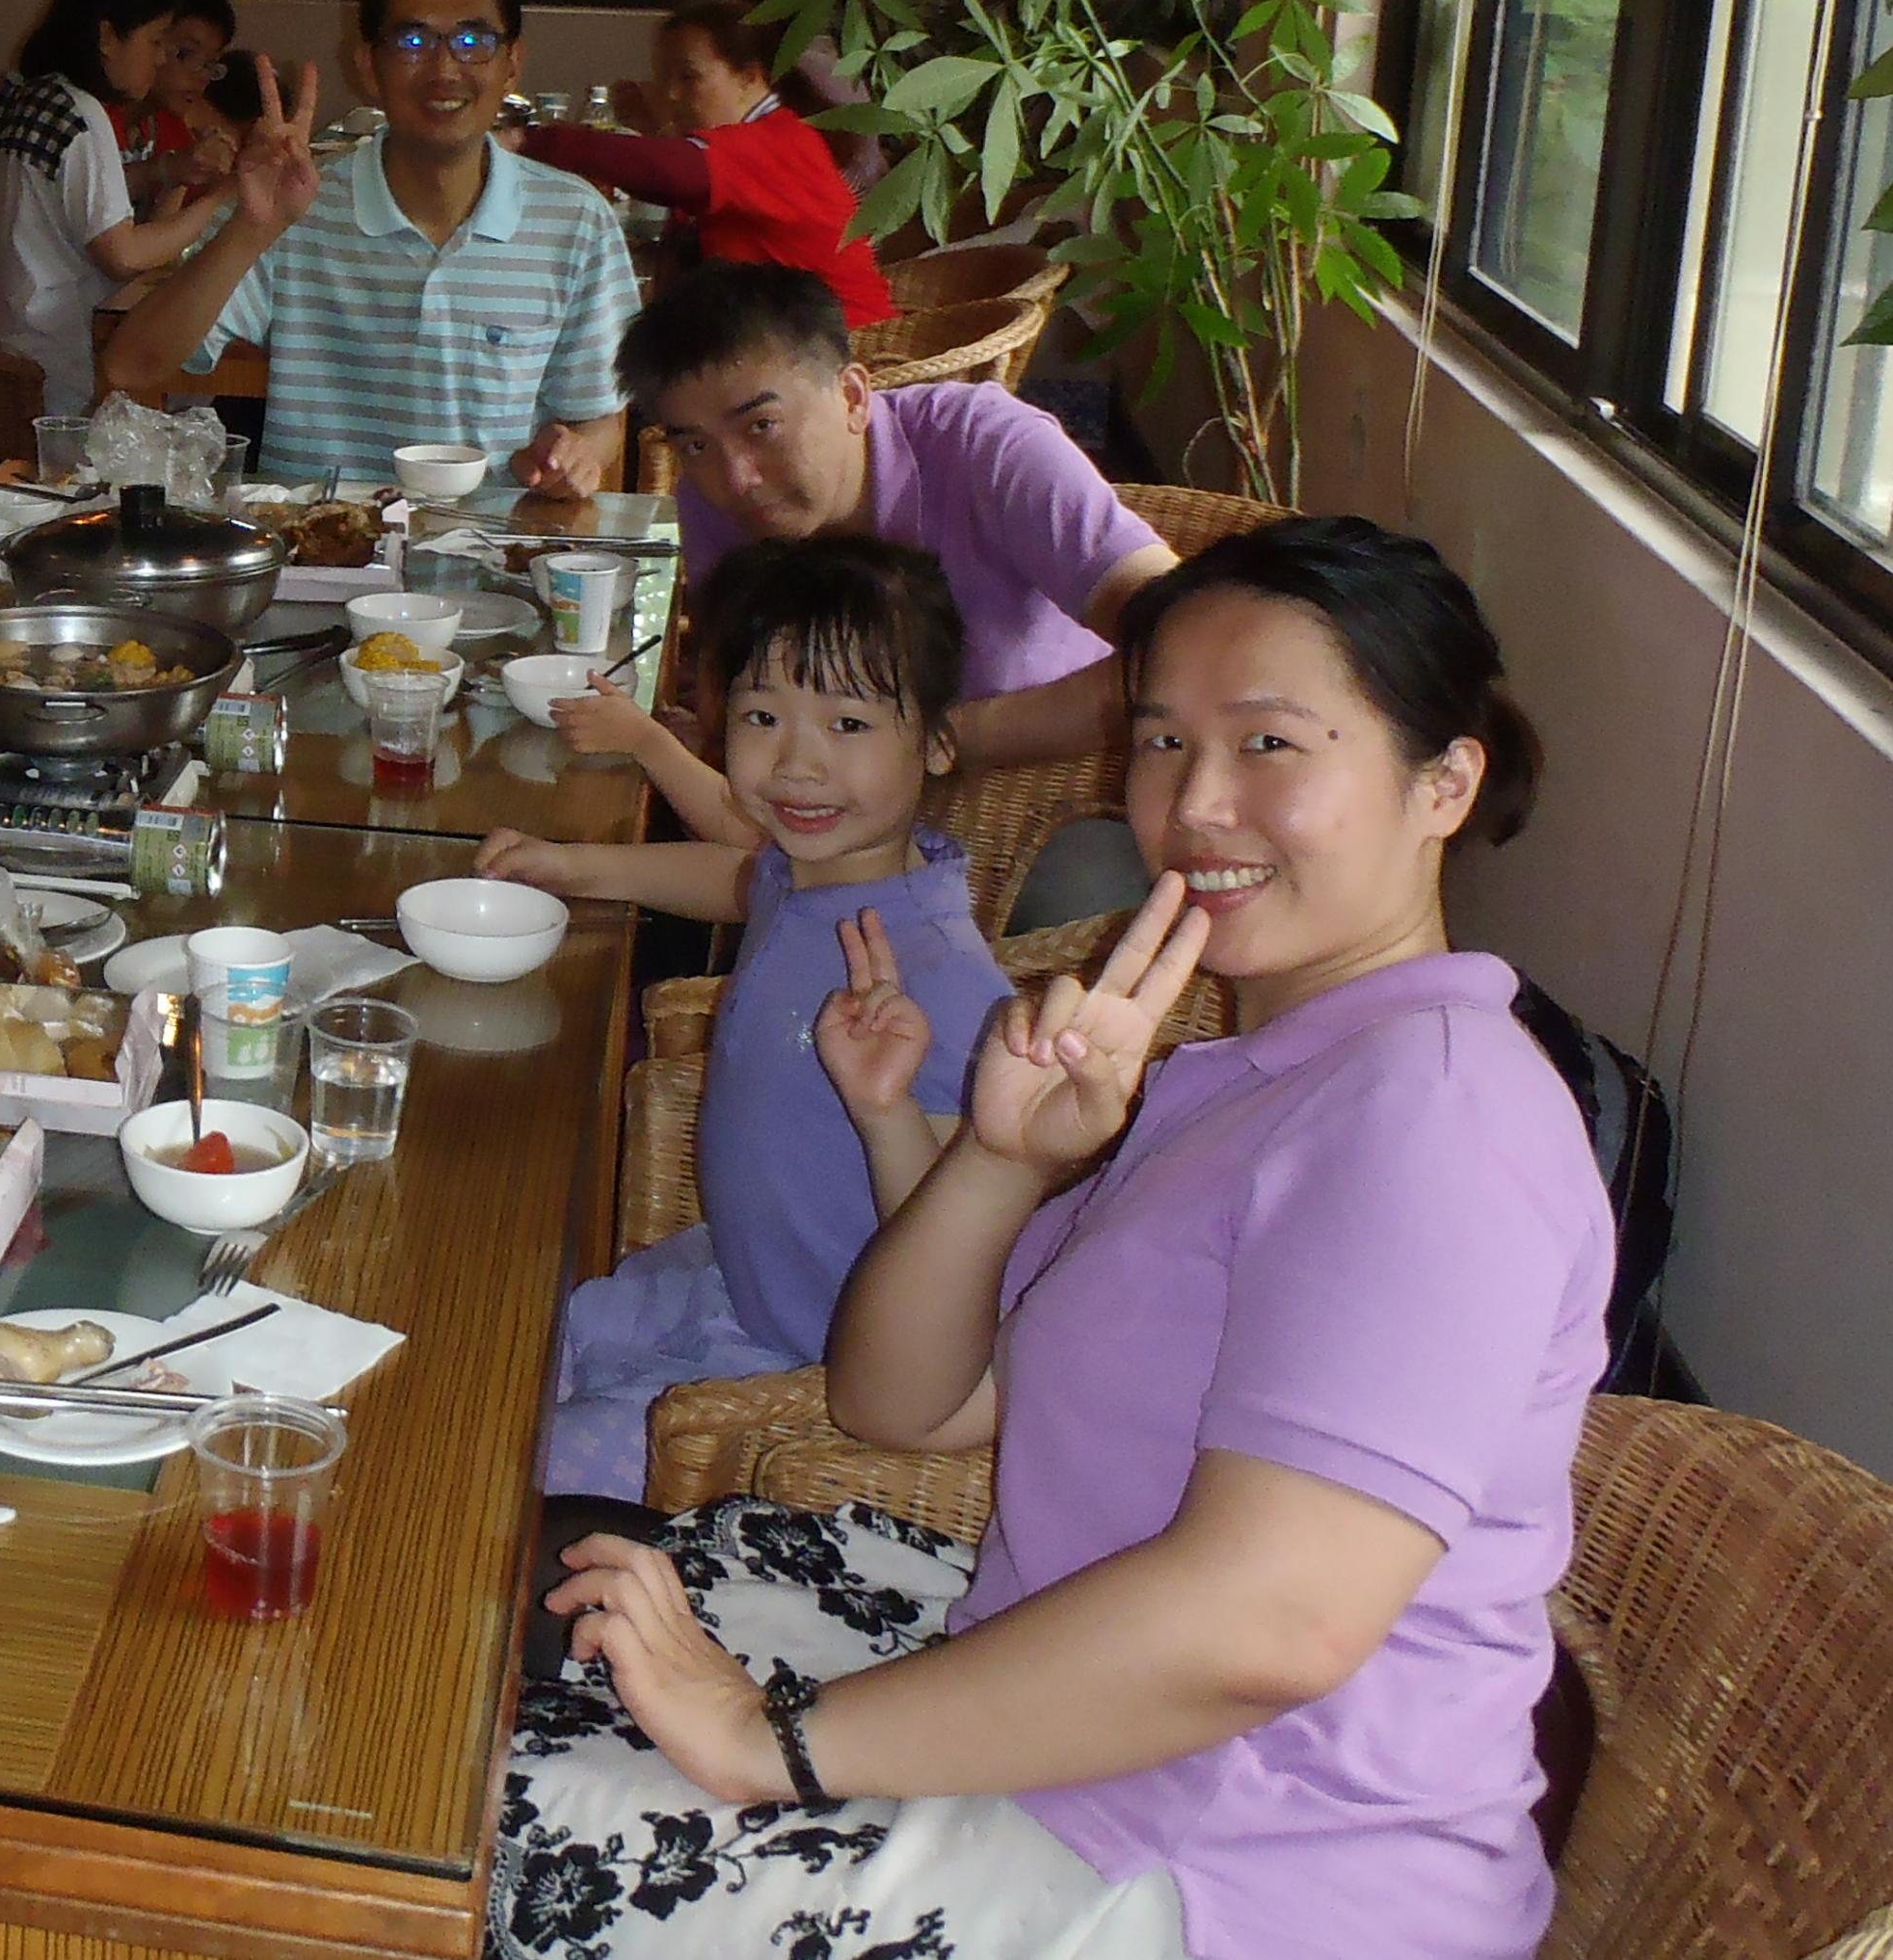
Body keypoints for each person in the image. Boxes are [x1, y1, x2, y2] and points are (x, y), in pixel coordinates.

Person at [505, 519, 1608, 1960]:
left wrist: (767, 1741)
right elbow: (903, 1401)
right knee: (523, 1591)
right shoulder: (1250, 1077)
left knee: (458, 1812)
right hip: (1057, 1720)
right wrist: (995, 1158)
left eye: (1269, 743)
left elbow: (1272, 1623)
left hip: (1228, 1867)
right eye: (1161, 739)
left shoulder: (1434, 1114)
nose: (1195, 801)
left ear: (1442, 780)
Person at [473, 540, 1001, 1497]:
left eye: (847, 722)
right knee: (479, 1367)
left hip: (806, 1359)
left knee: (501, 1476)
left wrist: (886, 1114)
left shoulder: (945, 985)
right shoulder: (810, 873)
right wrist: (577, 866)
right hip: (723, 1275)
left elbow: (966, 1243)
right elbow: (737, 876)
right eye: (761, 716)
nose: (794, 763)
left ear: (934, 740)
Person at [102, 0, 638, 494]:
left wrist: (575, 456)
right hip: (318, 538)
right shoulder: (295, 206)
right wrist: (250, 230)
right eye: (412, 41)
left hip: (489, 538)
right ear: (367, 65)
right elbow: (129, 366)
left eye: (473, 40)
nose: (444, 68)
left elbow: (599, 416)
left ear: (512, 64)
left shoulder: (575, 221)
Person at [620, 262, 1177, 784]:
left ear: (852, 397)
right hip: (834, 803)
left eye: (761, 425)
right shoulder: (710, 496)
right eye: (695, 444)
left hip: (1050, 787)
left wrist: (935, 743)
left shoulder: (989, 445)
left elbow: (1184, 646)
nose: (737, 479)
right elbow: (736, 675)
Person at [522, 0, 892, 323]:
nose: (670, 95)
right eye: (664, 78)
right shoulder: (762, 135)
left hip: (843, 346)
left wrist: (529, 142)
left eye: (689, 77)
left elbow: (670, 173)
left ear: (750, 76)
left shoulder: (775, 143)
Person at [0, 0, 227, 417]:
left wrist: (171, 173)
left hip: (4, 345)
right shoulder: (79, 114)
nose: (160, 58)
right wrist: (222, 198)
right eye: (155, 41)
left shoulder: (21, 92)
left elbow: (70, 195)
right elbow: (123, 255)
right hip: (55, 363)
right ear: (108, 37)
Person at [123, 0, 241, 203]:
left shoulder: (166, 128)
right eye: (185, 54)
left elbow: (162, 223)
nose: (202, 76)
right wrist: (165, 169)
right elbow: (91, 198)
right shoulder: (92, 118)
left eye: (210, 64)